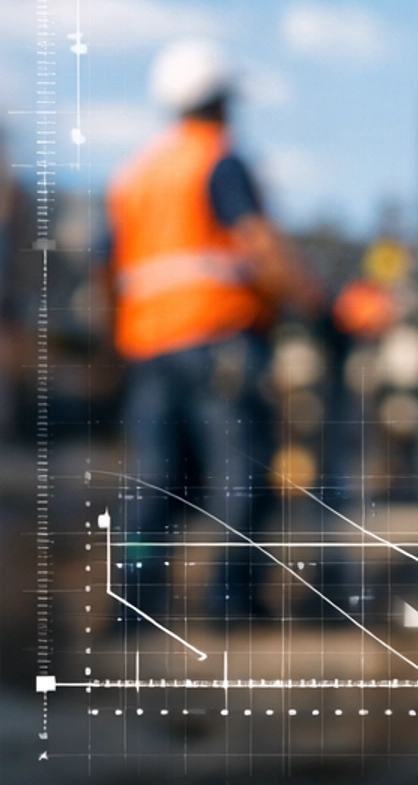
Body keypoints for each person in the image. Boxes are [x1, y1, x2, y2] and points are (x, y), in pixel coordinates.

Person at [108, 38, 325, 625]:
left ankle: (133, 606)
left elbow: (115, 270)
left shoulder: (137, 174)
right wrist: (314, 301)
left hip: (149, 347)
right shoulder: (218, 160)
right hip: (217, 340)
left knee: (153, 483)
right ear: (223, 102)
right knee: (240, 474)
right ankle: (228, 601)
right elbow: (258, 244)